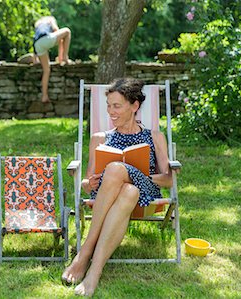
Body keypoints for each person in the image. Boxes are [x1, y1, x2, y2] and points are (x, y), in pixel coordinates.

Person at [61, 78, 174, 296]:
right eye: (108, 106)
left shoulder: (154, 137)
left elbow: (169, 179)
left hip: (147, 194)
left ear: (134, 106)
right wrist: (88, 183)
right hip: (114, 197)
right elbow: (86, 183)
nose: (111, 111)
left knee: (115, 169)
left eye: (117, 106)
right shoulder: (100, 138)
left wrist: (140, 174)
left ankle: (84, 254)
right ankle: (94, 272)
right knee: (127, 190)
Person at [33, 16, 72, 103]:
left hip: (37, 45)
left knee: (46, 70)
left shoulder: (38, 24)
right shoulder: (50, 20)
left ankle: (44, 96)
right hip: (46, 39)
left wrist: (35, 59)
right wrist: (61, 57)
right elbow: (57, 31)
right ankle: (65, 57)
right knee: (67, 31)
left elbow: (36, 38)